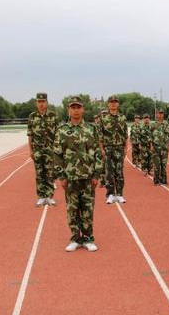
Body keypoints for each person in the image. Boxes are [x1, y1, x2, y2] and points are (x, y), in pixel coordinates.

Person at [54, 96, 102, 252]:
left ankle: (88, 239)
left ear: (83, 109)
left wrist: (96, 175)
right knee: (72, 210)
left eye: (78, 107)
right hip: (70, 178)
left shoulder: (91, 129)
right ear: (69, 110)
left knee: (88, 210)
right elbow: (57, 155)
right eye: (72, 107)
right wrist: (61, 176)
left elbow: (98, 154)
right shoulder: (62, 130)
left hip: (88, 177)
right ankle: (75, 238)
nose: (75, 110)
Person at [27, 92, 60, 207]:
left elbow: (57, 134)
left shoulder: (53, 116)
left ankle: (49, 196)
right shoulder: (32, 116)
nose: (41, 104)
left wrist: (57, 150)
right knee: (40, 173)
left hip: (50, 149)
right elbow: (30, 134)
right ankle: (41, 196)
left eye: (43, 102)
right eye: (39, 102)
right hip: (37, 150)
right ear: (36, 103)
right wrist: (30, 150)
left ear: (47, 102)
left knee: (50, 173)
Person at [98, 95, 128, 204]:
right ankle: (110, 194)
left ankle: (119, 194)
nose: (113, 103)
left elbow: (125, 134)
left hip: (119, 148)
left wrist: (125, 148)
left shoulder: (122, 118)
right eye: (111, 102)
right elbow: (100, 135)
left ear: (118, 104)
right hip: (108, 148)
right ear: (108, 104)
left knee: (119, 172)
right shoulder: (103, 118)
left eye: (115, 102)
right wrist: (102, 149)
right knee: (109, 172)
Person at [152, 109, 169, 185]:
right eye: (159, 113)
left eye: (162, 113)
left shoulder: (167, 124)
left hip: (164, 148)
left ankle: (164, 180)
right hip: (155, 147)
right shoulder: (153, 124)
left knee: (164, 165)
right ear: (156, 115)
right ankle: (156, 180)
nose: (160, 115)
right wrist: (151, 145)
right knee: (157, 165)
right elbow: (150, 136)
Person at [94, 113, 106, 188]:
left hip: (102, 148)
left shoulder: (102, 126)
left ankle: (103, 181)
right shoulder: (94, 127)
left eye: (97, 118)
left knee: (103, 165)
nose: (96, 120)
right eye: (95, 119)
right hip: (96, 148)